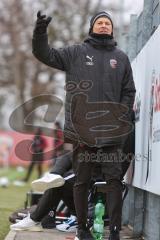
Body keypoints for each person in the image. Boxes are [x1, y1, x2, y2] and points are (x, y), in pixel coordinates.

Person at [32, 11, 136, 240]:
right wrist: (40, 31)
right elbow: (43, 53)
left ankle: (115, 232)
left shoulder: (121, 57)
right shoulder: (75, 53)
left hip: (111, 133)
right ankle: (82, 229)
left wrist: (120, 116)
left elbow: (129, 91)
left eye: (107, 23)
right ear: (92, 27)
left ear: (112, 29)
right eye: (99, 22)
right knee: (81, 181)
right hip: (82, 131)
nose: (103, 25)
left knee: (114, 181)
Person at [10, 147, 77, 232]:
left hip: (92, 181)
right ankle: (53, 174)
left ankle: (34, 219)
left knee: (59, 183)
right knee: (66, 155)